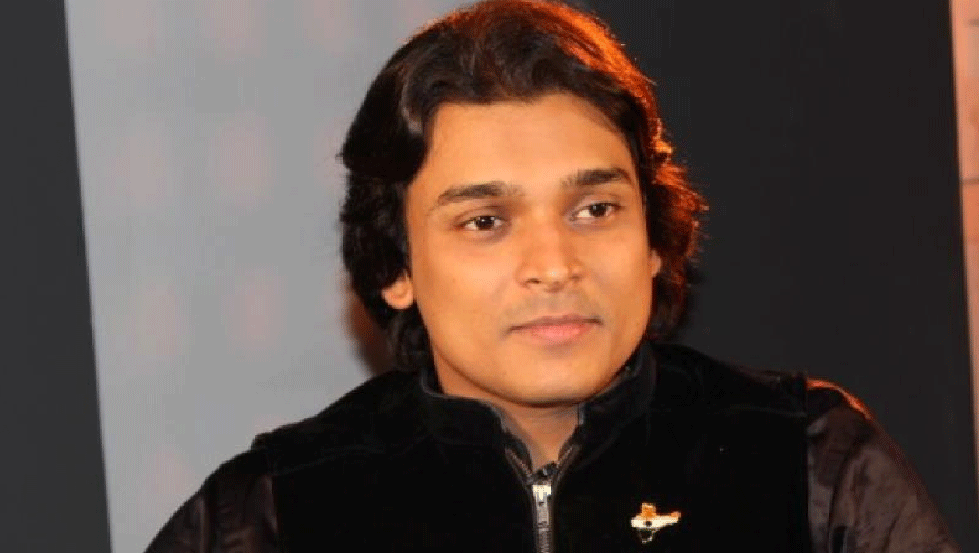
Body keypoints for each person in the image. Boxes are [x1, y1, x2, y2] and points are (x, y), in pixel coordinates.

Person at [146, 1, 959, 551]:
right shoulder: (276, 510)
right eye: (485, 221)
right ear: (395, 265)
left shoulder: (806, 461)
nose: (554, 265)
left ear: (653, 239)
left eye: (594, 209)